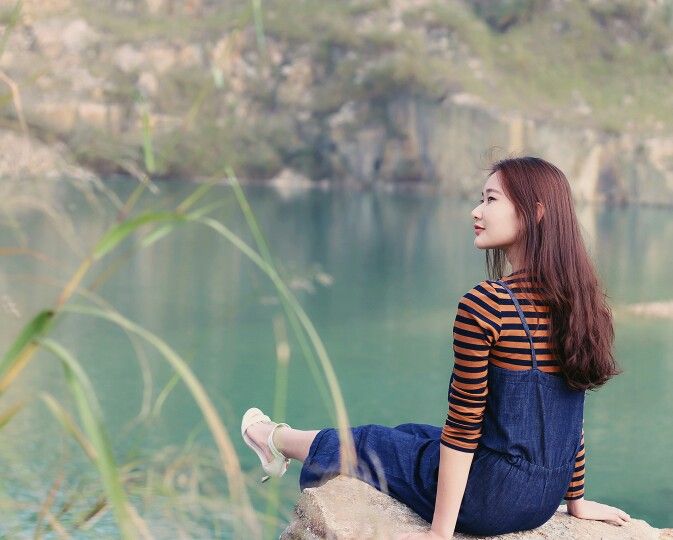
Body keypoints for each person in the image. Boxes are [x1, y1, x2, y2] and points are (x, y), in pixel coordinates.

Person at [241, 156, 632, 539]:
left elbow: (464, 425)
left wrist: (440, 532)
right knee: (413, 434)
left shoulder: (488, 304)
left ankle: (274, 439)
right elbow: (570, 418)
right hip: (542, 499)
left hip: (489, 500)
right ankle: (283, 443)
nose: (476, 211)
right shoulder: (580, 303)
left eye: (491, 199)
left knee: (372, 442)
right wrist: (576, 501)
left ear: (535, 212)